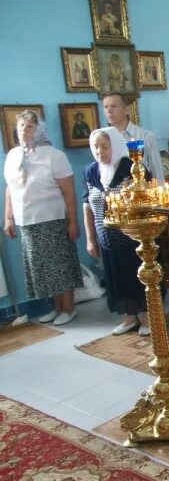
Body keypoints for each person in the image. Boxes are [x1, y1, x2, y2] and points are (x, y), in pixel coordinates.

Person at [3, 110, 82, 326]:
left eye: (29, 126)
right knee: (43, 268)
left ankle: (69, 307)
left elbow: (68, 191)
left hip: (53, 218)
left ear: (39, 129)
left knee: (60, 265)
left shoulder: (54, 155)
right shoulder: (12, 155)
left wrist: (73, 221)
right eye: (21, 127)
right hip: (26, 221)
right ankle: (56, 308)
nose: (24, 131)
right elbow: (10, 189)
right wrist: (8, 218)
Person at [83, 128, 158, 336]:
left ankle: (146, 317)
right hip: (106, 237)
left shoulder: (130, 167)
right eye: (96, 146)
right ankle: (128, 316)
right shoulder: (91, 171)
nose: (100, 151)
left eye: (105, 146)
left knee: (135, 275)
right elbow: (87, 205)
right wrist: (90, 239)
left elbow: (146, 196)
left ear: (114, 145)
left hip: (131, 235)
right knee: (116, 277)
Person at [103, 92, 164, 183]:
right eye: (106, 107)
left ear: (127, 109)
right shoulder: (103, 138)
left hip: (141, 192)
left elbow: (157, 172)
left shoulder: (145, 136)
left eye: (114, 106)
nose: (109, 110)